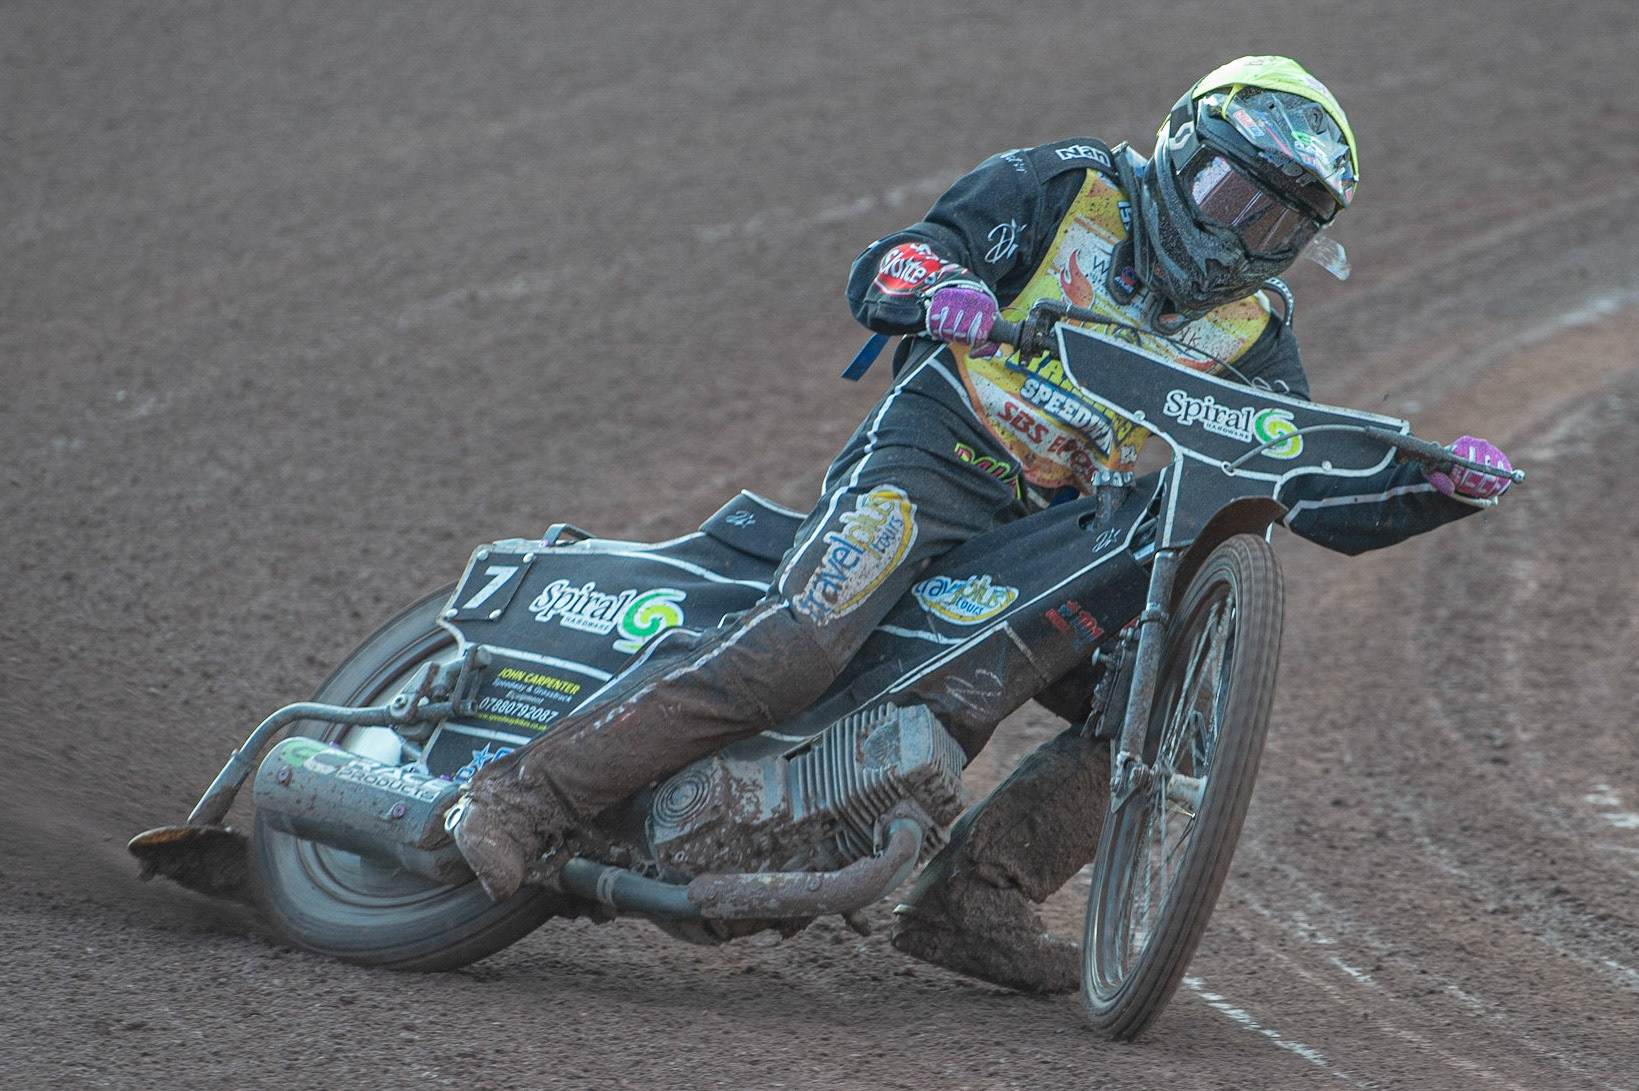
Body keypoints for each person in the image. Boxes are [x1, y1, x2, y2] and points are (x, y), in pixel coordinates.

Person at [451, 56, 1513, 993]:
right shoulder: (1065, 186)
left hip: (1053, 521)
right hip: (934, 451)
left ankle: (973, 896)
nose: (1241, 233)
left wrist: (1429, 490)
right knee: (805, 638)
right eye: (1230, 190)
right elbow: (897, 260)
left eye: (1276, 222)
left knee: (1161, 716)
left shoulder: (1253, 327)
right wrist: (949, 287)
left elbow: (1289, 476)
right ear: (1180, 148)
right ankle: (526, 793)